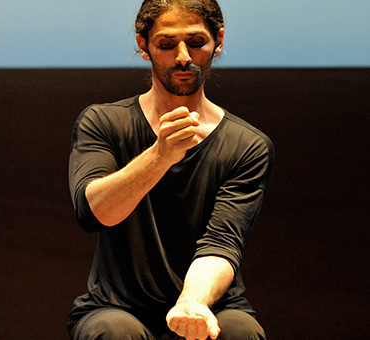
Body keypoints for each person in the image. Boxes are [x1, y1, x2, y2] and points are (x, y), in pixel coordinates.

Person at [67, 0, 273, 339]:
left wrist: (193, 302)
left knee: (241, 332)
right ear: (143, 46)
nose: (183, 57)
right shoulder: (104, 122)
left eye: (196, 42)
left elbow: (222, 243)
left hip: (210, 302)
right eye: (166, 44)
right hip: (119, 306)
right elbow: (94, 212)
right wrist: (161, 155)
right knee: (111, 332)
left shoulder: (247, 144)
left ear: (218, 41)